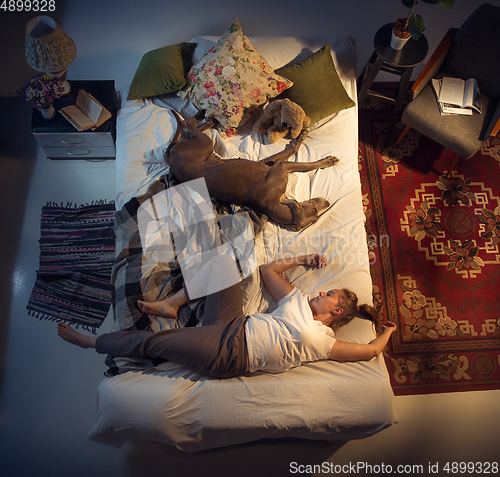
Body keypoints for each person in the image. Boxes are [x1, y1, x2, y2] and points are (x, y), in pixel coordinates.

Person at [58, 253, 396, 378]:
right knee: (223, 264)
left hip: (229, 355)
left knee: (157, 343)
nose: (321, 292)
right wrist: (303, 258)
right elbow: (267, 269)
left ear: (335, 312)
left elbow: (371, 351)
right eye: (326, 289)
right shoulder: (297, 299)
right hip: (233, 324)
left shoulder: (325, 342)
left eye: (329, 295)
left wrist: (387, 332)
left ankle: (92, 343)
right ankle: (174, 303)